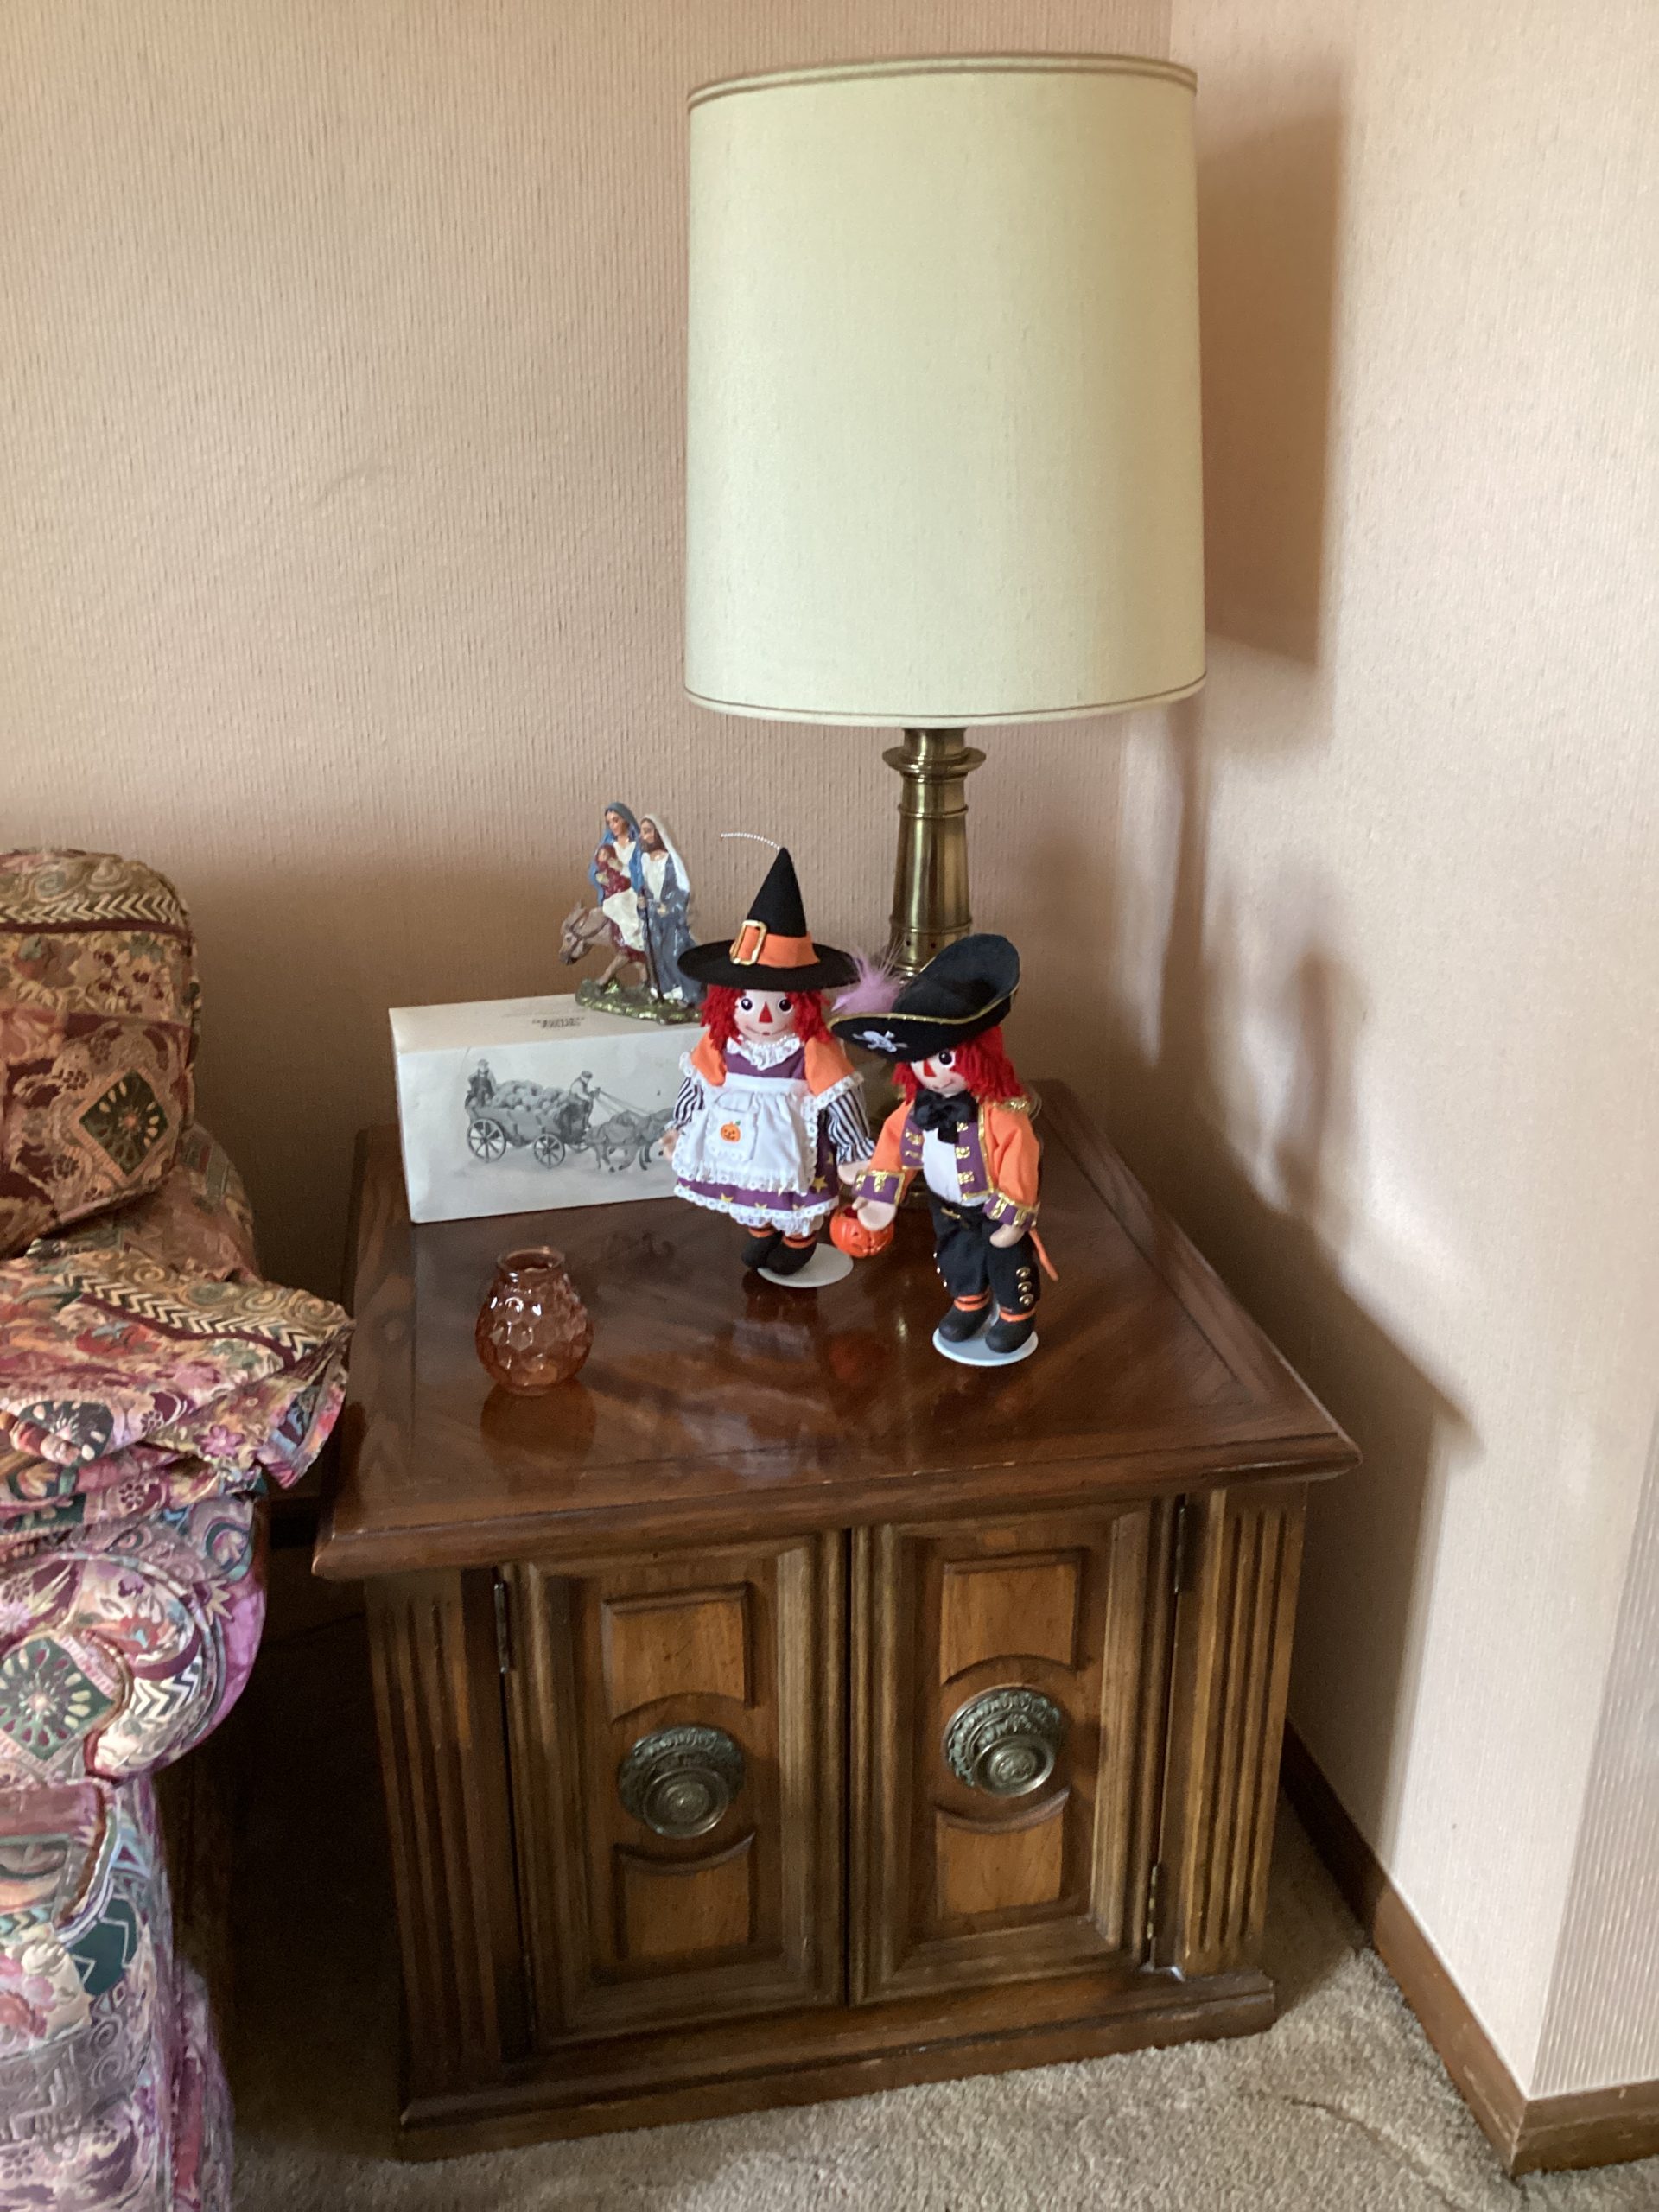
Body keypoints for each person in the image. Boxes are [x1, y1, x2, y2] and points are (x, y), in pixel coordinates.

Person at [831, 934, 1046, 1358]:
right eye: (920, 1059)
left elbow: (1021, 1158)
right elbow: (893, 1145)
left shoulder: (1002, 1114)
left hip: (991, 1206)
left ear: (979, 1055)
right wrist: (880, 1196)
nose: (931, 1073)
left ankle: (1016, 1313)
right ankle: (969, 1302)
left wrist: (1013, 1216)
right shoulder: (915, 1108)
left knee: (1006, 1259)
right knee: (957, 1254)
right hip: (945, 1204)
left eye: (944, 1058)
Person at [667, 847, 871, 1276]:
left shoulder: (813, 1048)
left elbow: (840, 1099)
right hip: (735, 1143)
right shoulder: (721, 1041)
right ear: (727, 1001)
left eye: (781, 1004)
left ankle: (798, 1239)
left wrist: (854, 1150)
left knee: (796, 1193)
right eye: (747, 1003)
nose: (762, 1017)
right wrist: (681, 1126)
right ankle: (760, 1231)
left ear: (803, 1003)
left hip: (793, 1148)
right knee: (746, 1190)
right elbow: (698, 1084)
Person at [632, 814, 700, 1003]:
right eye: (641, 832)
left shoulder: (671, 861)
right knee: (654, 953)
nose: (643, 836)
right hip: (653, 919)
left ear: (658, 834)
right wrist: (642, 903)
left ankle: (685, 993)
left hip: (671, 921)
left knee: (673, 953)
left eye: (647, 831)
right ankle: (662, 990)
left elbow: (683, 890)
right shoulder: (644, 861)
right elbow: (644, 889)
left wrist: (669, 908)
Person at [590, 804, 644, 957]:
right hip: (614, 890)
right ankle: (627, 940)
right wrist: (599, 877)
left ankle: (636, 938)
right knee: (612, 905)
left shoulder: (637, 845)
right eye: (609, 822)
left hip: (633, 889)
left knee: (622, 903)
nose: (613, 825)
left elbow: (641, 872)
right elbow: (595, 868)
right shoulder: (607, 846)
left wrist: (622, 868)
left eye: (616, 820)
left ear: (625, 820)